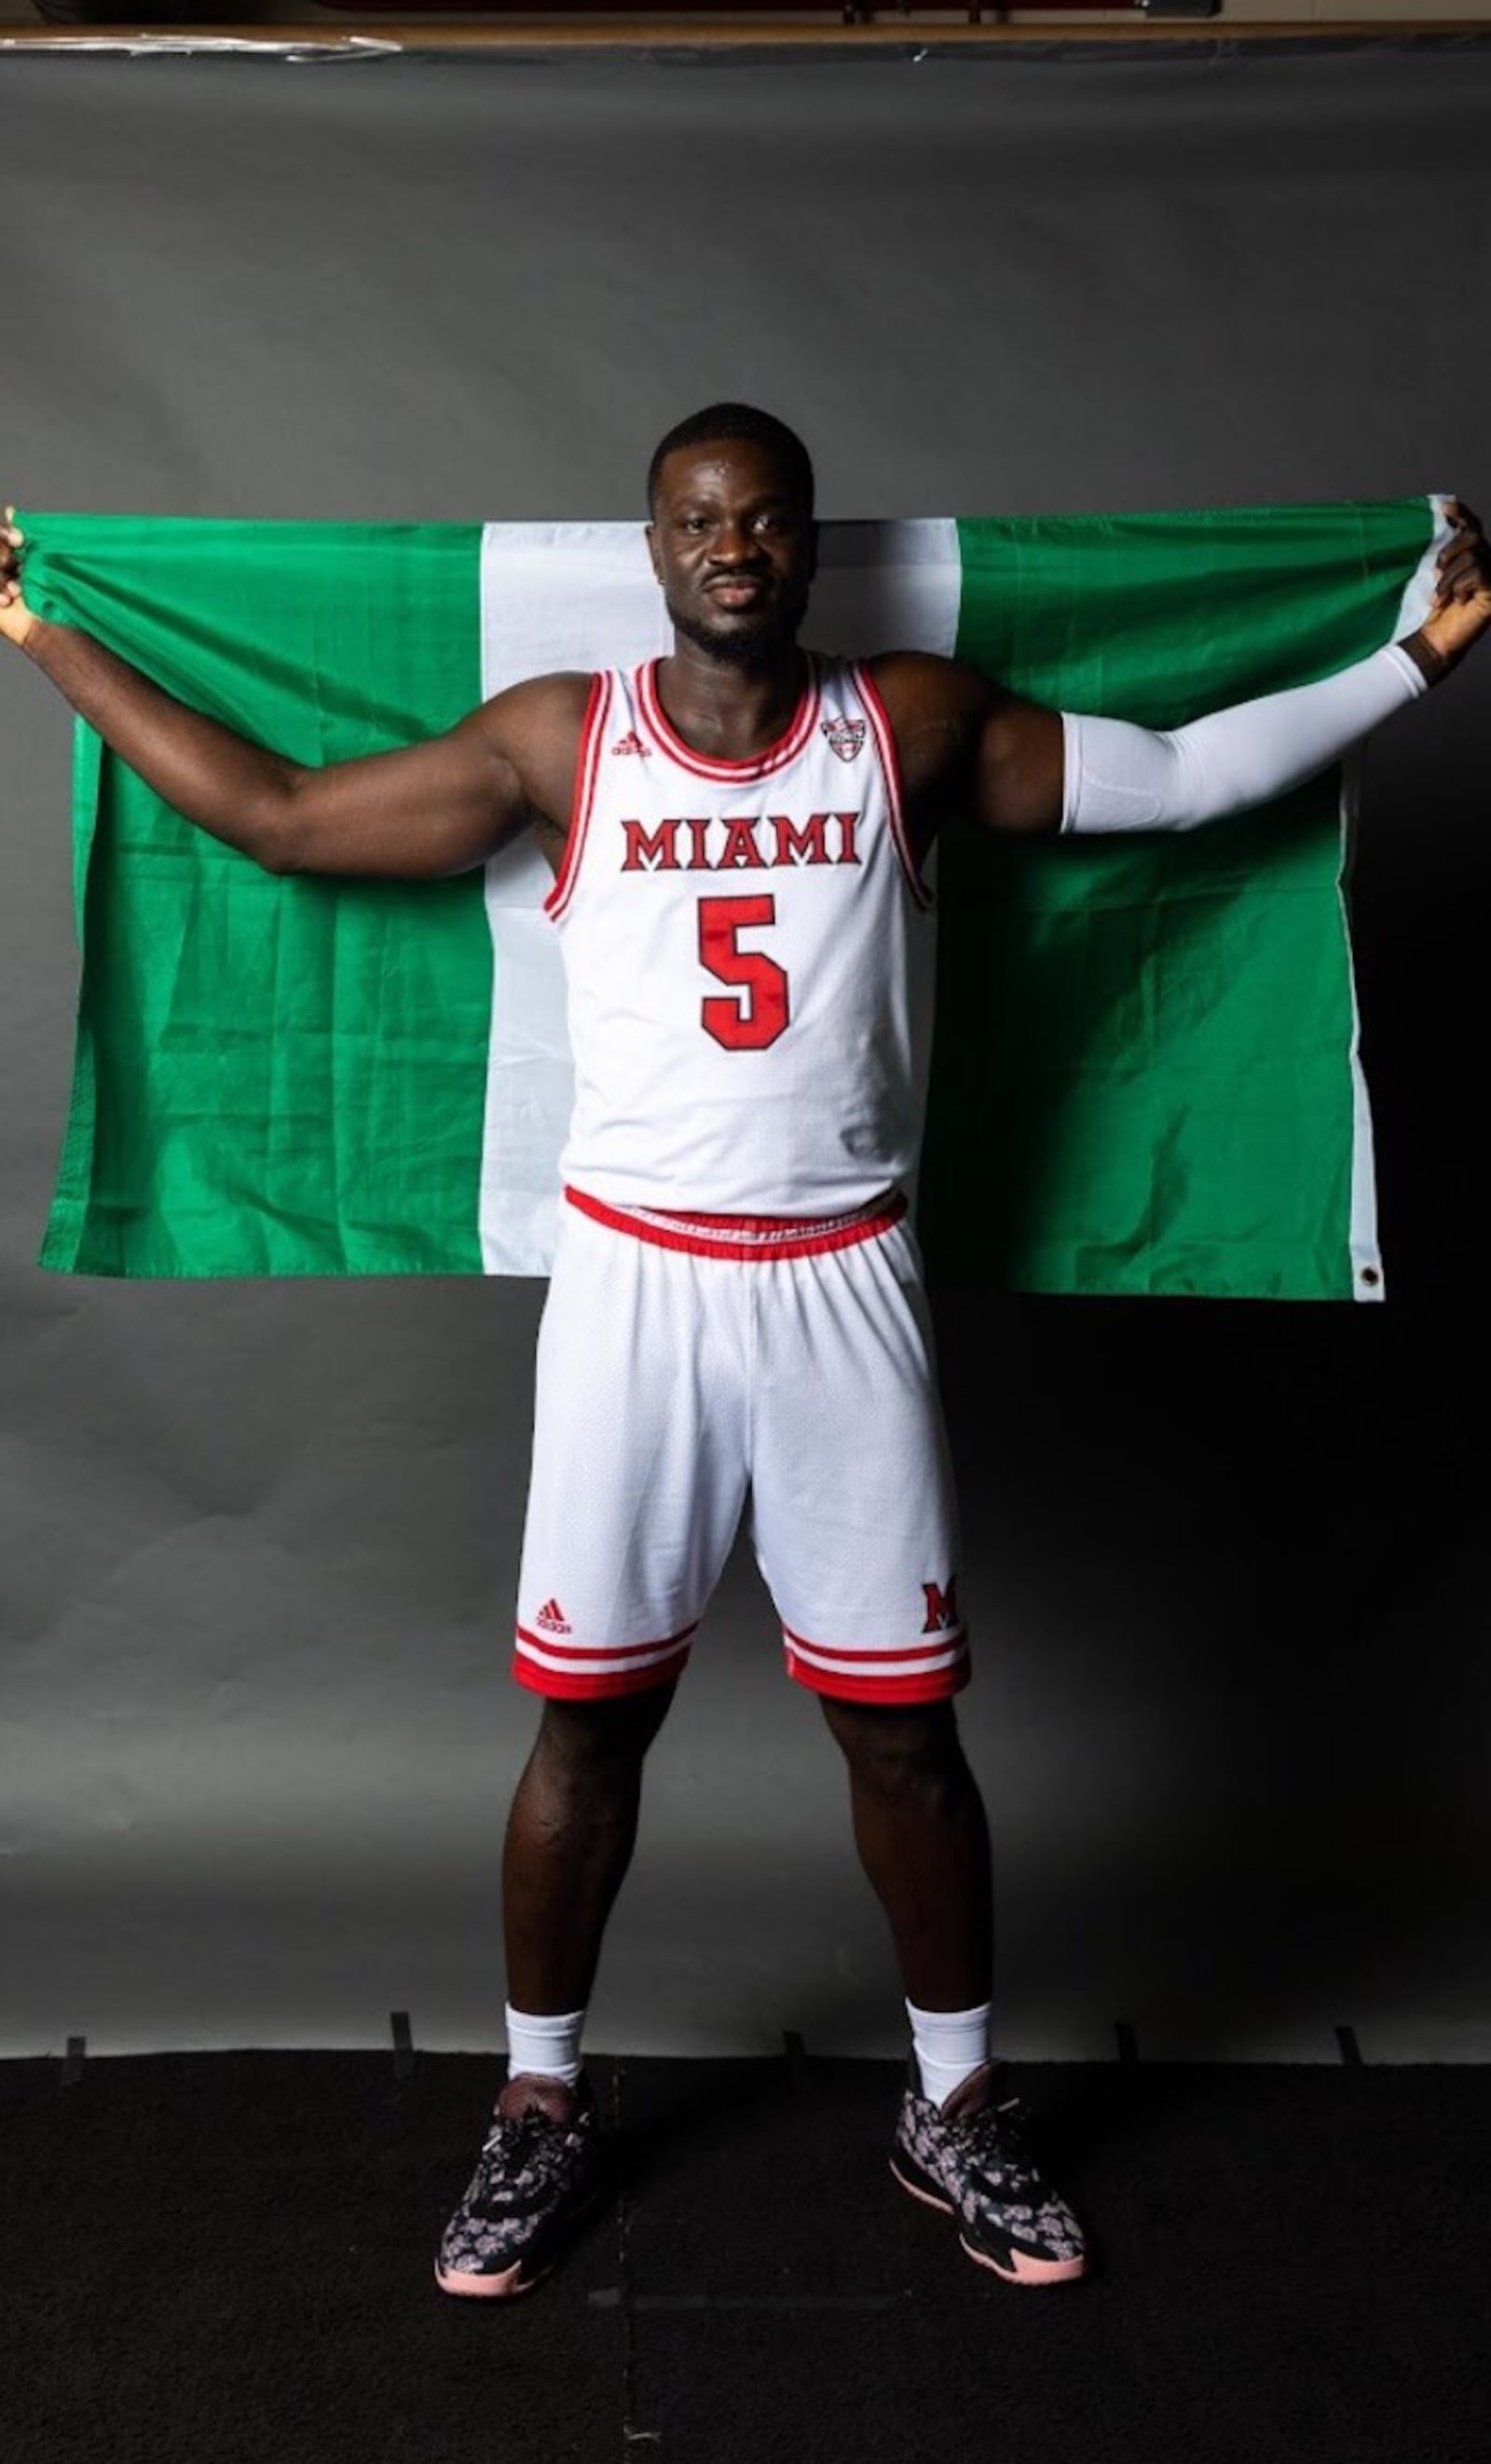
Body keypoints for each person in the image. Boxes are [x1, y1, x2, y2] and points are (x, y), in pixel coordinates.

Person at [4, 411, 1487, 2302]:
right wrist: (44, 631)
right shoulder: (566, 733)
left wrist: (1411, 655)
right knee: (587, 1724)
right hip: (634, 1290)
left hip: (838, 1288)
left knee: (902, 1732)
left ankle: (951, 2101)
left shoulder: (910, 721)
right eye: (696, 520)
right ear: (651, 544)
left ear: (803, 543)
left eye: (762, 517)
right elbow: (285, 816)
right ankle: (537, 2100)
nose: (730, 546)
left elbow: (1187, 774)